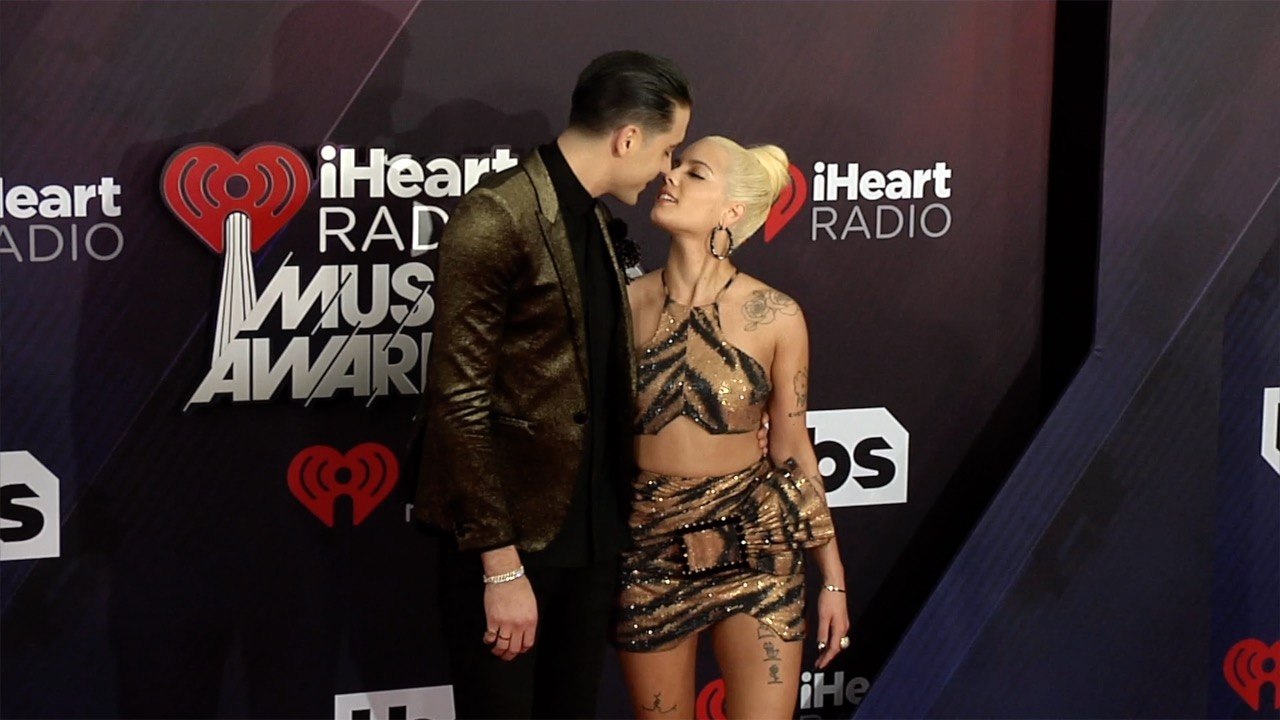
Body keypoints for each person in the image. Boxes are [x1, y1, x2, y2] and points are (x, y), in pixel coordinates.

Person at [411, 51, 691, 719]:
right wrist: (501, 568)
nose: (667, 169)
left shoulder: (593, 218)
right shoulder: (497, 215)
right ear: (628, 138)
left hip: (590, 543)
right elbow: (457, 404)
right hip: (510, 548)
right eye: (668, 149)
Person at [616, 136, 851, 719]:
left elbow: (793, 450)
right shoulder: (624, 305)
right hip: (652, 549)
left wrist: (833, 578)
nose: (670, 177)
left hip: (757, 543)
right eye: (676, 166)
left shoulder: (776, 315)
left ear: (732, 212)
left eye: (695, 173)